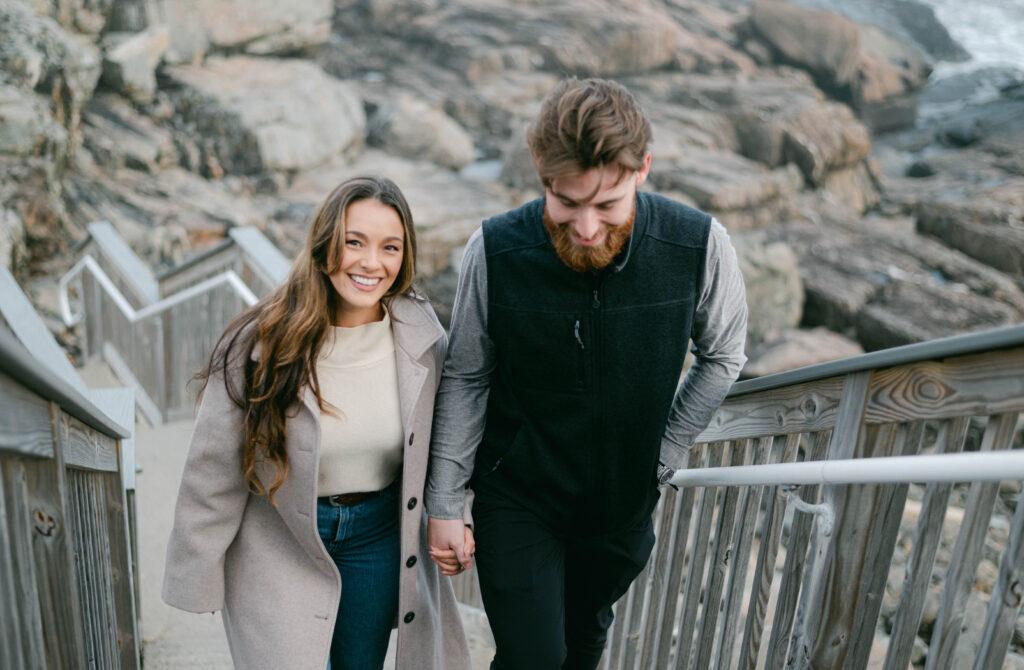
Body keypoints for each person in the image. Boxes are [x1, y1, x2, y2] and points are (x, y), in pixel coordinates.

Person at [425, 78, 748, 669]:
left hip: (621, 509)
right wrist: (445, 501)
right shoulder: (494, 250)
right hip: (517, 494)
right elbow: (467, 375)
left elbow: (724, 355)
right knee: (536, 659)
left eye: (607, 205)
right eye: (567, 203)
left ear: (643, 169)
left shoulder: (698, 244)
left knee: (580, 648)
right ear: (542, 174)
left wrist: (662, 454)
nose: (587, 228)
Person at [163, 176, 473, 670]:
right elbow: (212, 466)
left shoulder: (422, 336)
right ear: (325, 243)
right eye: (355, 242)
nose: (372, 263)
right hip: (279, 539)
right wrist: (197, 573)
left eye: (389, 247)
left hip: (376, 537)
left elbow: (447, 437)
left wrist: (456, 511)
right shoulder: (260, 340)